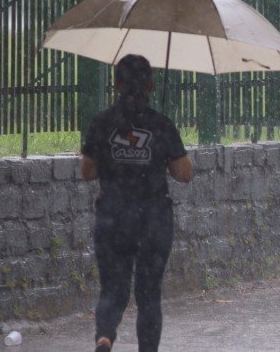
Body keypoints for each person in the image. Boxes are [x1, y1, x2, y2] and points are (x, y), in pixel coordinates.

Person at [80, 54, 193, 352]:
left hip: (113, 217)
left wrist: (113, 161)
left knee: (113, 289)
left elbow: (87, 172)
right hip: (152, 220)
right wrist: (163, 150)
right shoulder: (161, 124)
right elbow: (184, 174)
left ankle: (105, 335)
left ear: (116, 84)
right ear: (152, 86)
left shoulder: (102, 122)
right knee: (148, 295)